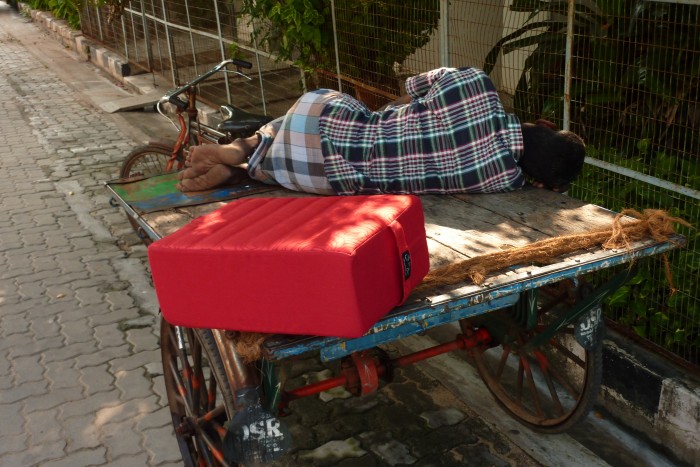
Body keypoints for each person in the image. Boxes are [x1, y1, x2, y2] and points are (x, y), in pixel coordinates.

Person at [176, 67, 586, 195]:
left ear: (546, 125)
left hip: (320, 117)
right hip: (323, 179)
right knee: (294, 161)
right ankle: (245, 167)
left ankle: (242, 145)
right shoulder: (503, 181)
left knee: (310, 118)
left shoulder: (475, 85)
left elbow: (411, 87)